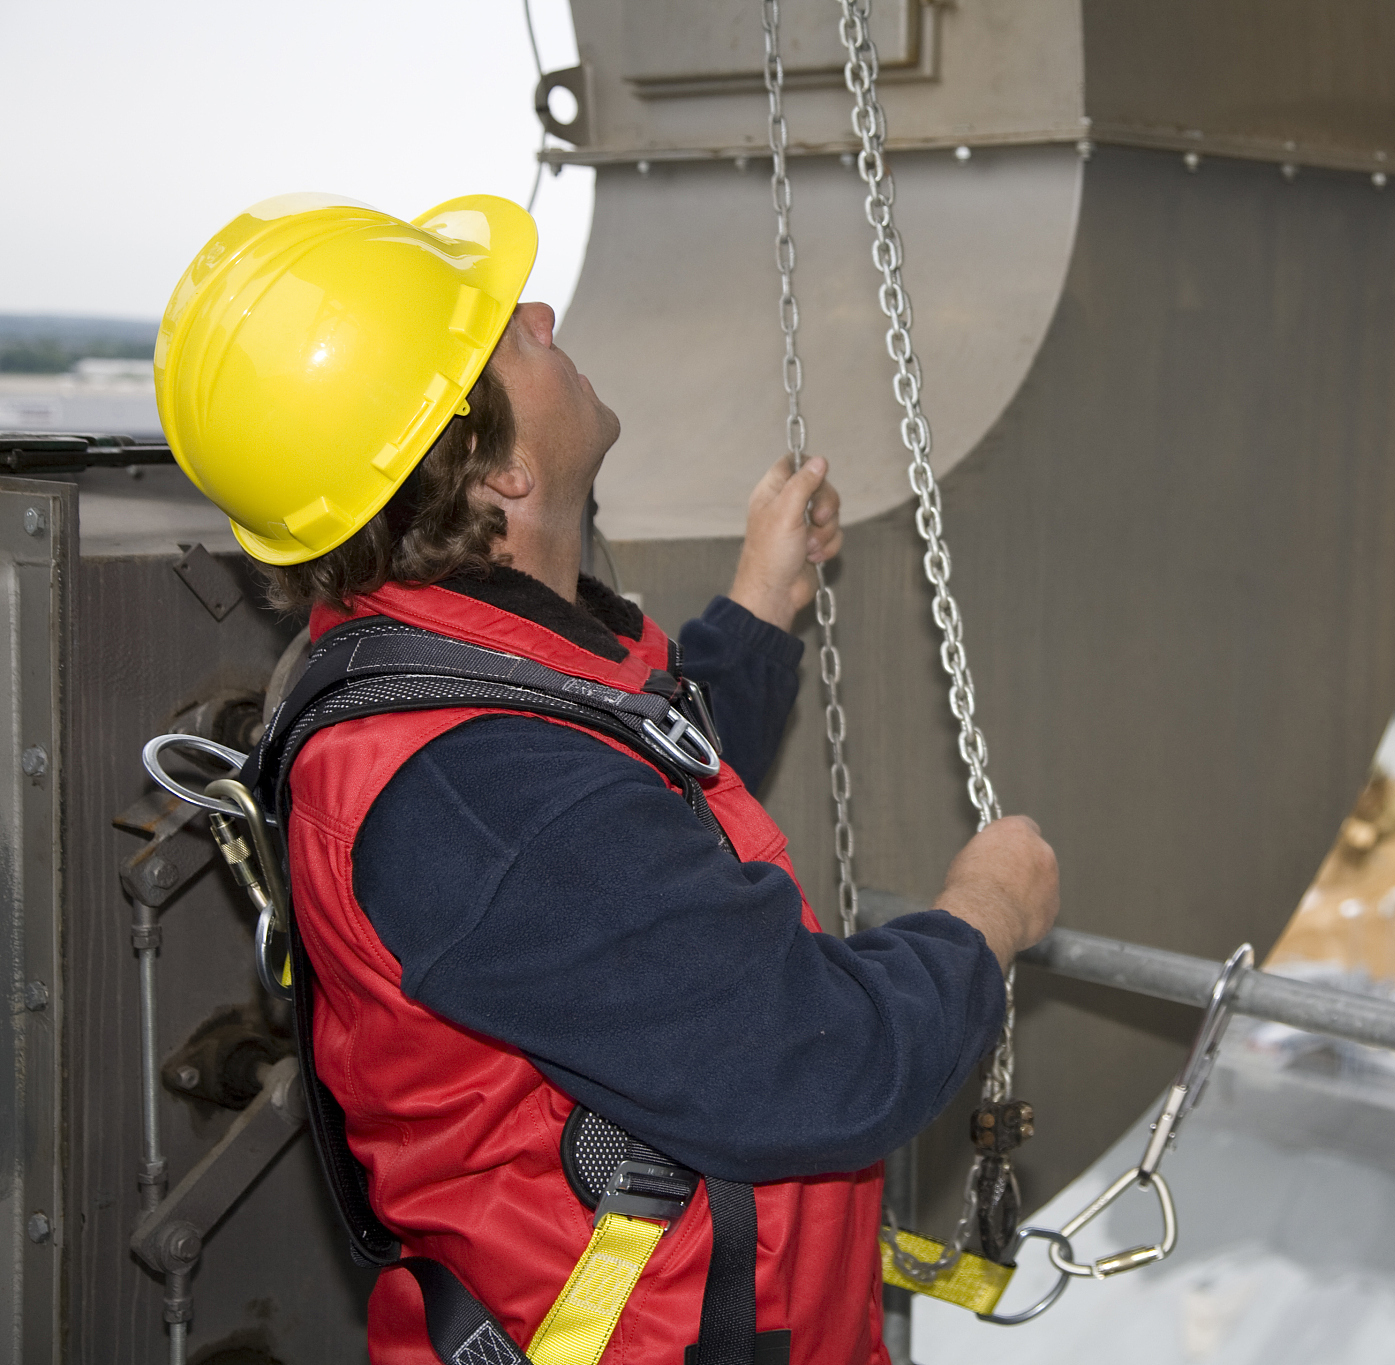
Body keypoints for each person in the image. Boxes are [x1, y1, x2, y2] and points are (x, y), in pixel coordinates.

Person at [154, 193, 1059, 1364]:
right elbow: (821, 1062)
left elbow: (640, 799)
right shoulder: (488, 791)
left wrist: (761, 602)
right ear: (501, 471)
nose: (538, 311)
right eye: (504, 336)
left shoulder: (451, 663)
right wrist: (988, 909)